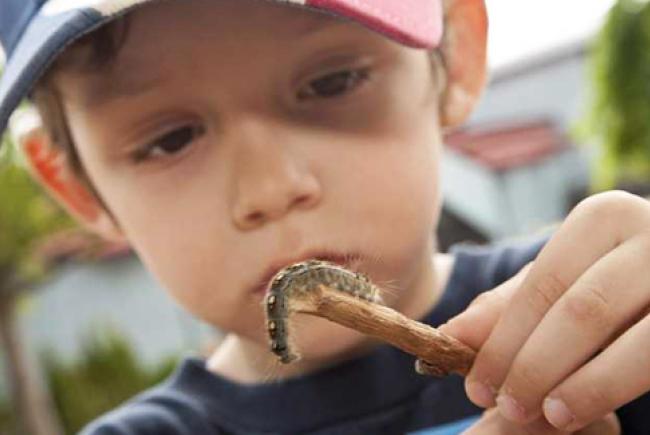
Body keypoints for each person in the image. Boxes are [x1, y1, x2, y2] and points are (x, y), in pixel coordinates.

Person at [0, 0, 648, 433]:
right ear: (75, 184)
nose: (272, 188)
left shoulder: (610, 331)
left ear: (456, 53)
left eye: (332, 82)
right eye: (169, 139)